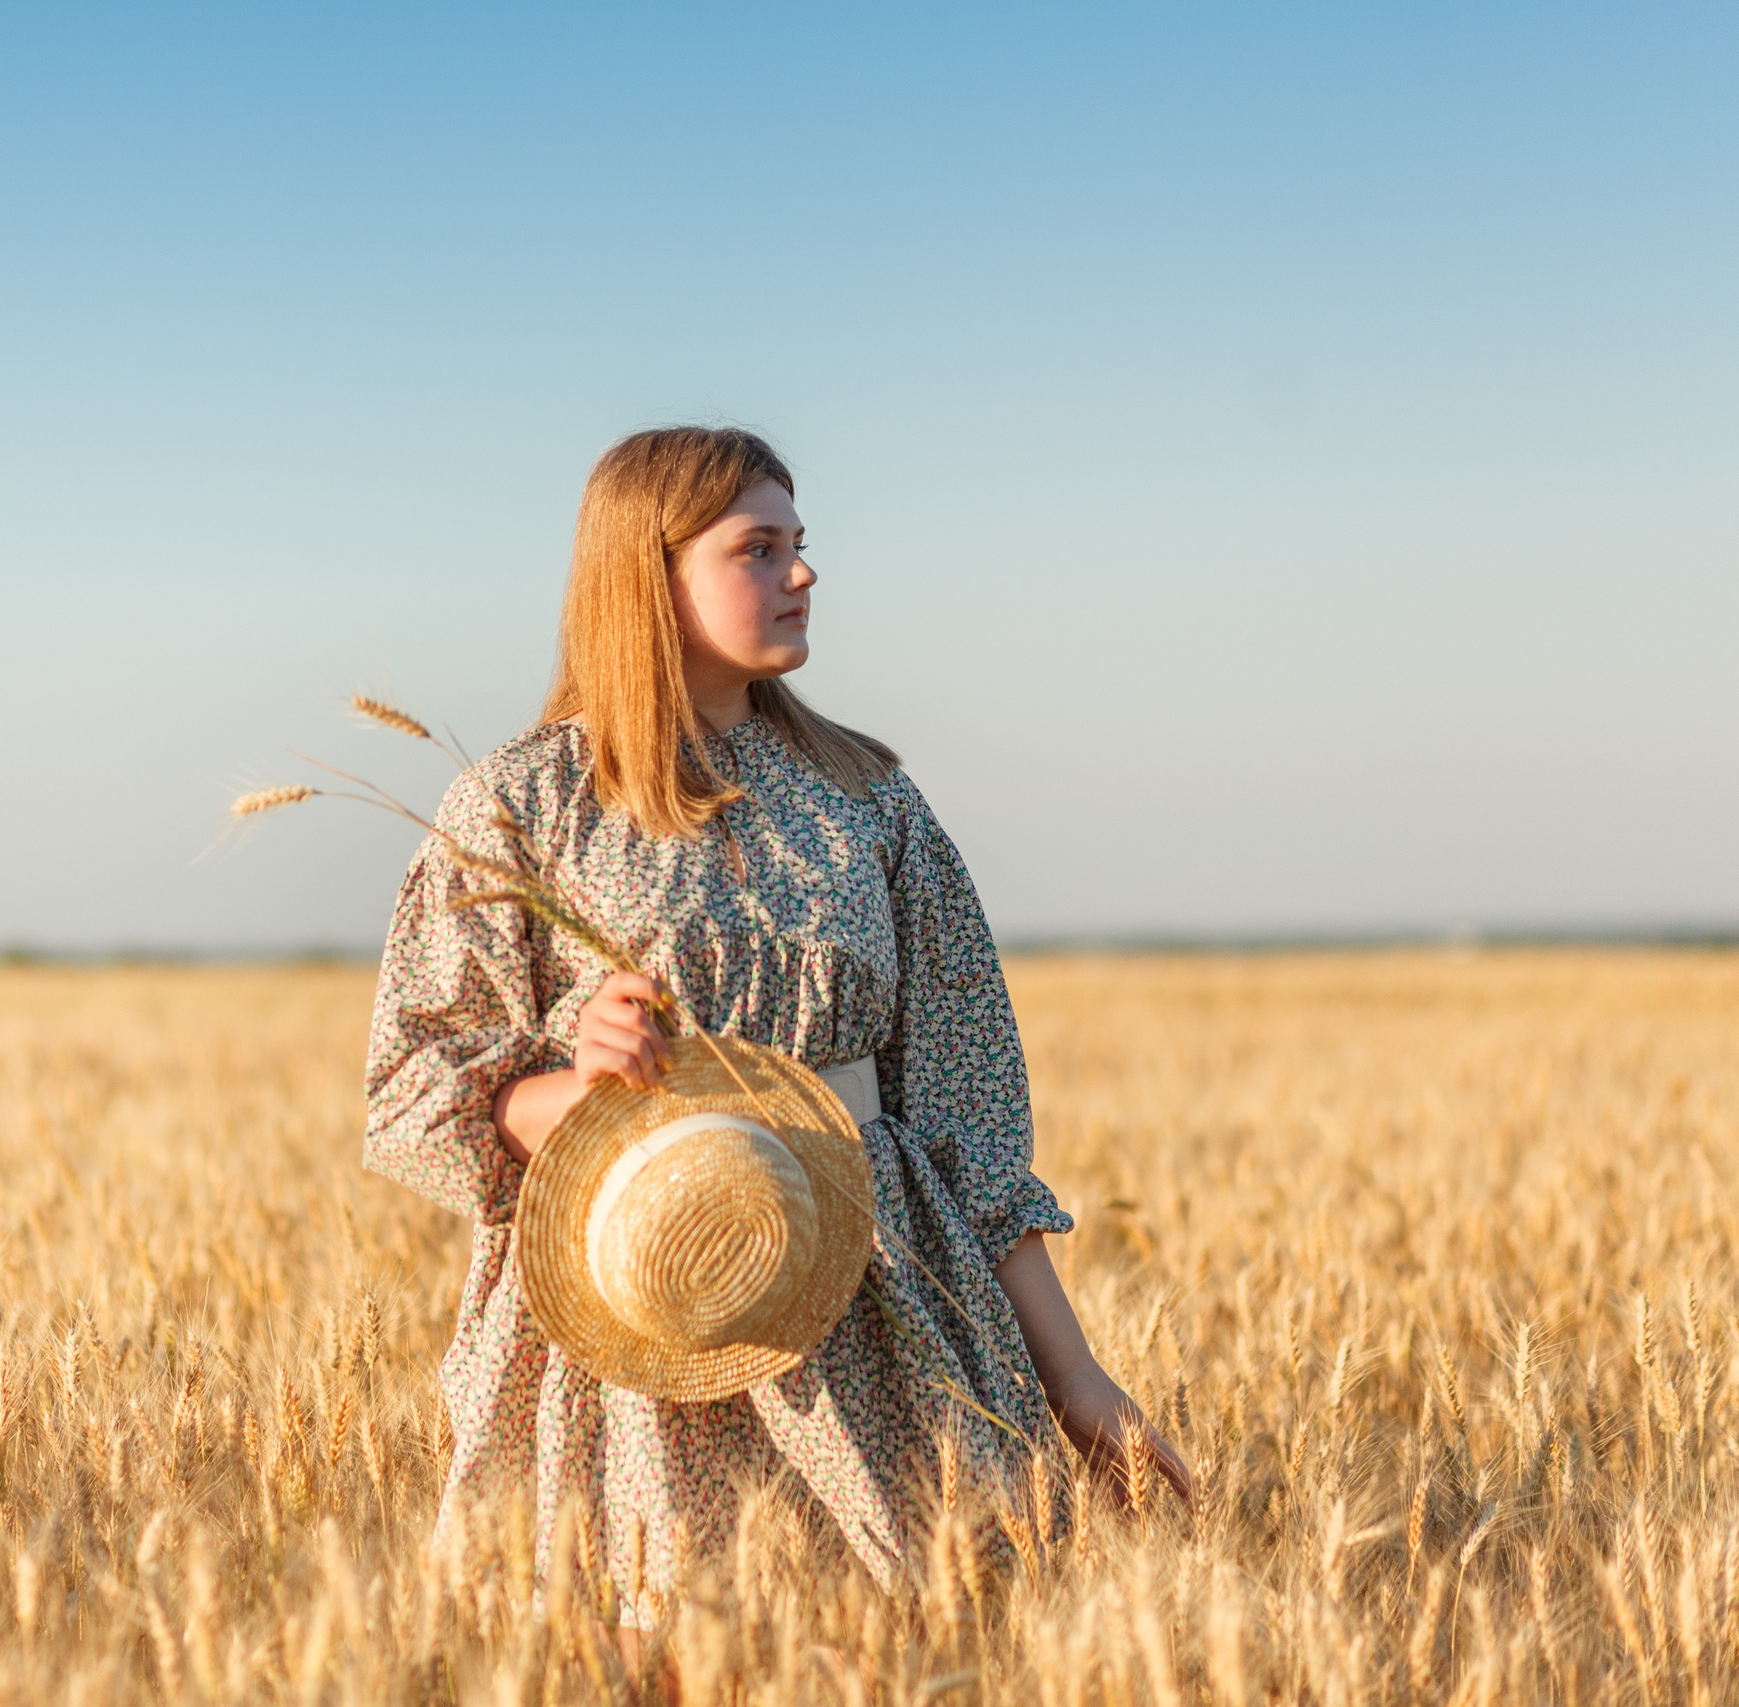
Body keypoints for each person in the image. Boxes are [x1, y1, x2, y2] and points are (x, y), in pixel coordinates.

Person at [362, 427, 1191, 1635]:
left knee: (911, 1638)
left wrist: (1075, 1381)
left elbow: (968, 1124)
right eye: (759, 549)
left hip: (879, 1292)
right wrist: (577, 1088)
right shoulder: (521, 802)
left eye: (800, 546)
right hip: (628, 1309)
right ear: (646, 575)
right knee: (649, 1643)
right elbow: (411, 1095)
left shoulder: (871, 798)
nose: (803, 575)